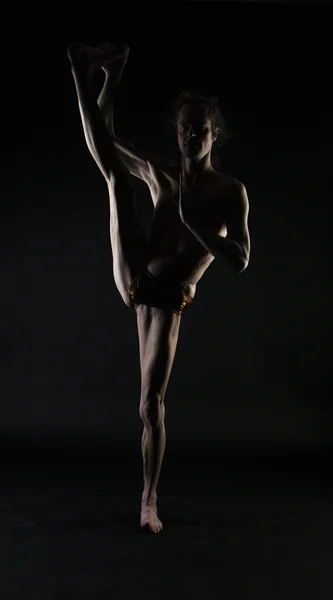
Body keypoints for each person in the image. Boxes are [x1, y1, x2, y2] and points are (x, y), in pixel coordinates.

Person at [67, 41, 250, 533]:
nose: (193, 134)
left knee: (150, 405)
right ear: (177, 131)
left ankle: (149, 501)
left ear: (215, 136)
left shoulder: (230, 193)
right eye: (186, 127)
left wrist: (200, 227)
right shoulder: (161, 174)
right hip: (136, 276)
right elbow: (100, 140)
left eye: (202, 129)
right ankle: (90, 73)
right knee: (114, 176)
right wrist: (108, 87)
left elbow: (241, 259)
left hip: (171, 302)